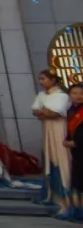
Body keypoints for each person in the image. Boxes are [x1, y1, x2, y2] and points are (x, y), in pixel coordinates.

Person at [32, 69, 74, 218]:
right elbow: (35, 111)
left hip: (59, 129)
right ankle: (52, 195)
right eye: (40, 79)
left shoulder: (62, 96)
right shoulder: (42, 95)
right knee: (49, 158)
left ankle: (65, 198)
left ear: (53, 80)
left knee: (61, 159)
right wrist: (45, 112)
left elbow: (56, 113)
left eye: (44, 79)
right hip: (47, 129)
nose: (41, 82)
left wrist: (44, 112)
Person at [64, 83, 83, 219]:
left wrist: (76, 142)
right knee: (78, 182)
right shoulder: (72, 110)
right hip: (77, 153)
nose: (78, 96)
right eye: (74, 93)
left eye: (81, 93)